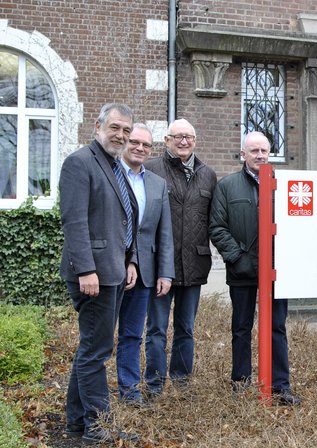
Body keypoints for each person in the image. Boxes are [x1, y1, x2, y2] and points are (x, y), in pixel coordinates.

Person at [60, 103, 139, 444]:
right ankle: (97, 427)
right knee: (96, 352)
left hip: (114, 272)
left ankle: (77, 423)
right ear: (98, 126)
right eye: (115, 128)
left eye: (126, 130)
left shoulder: (114, 166)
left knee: (90, 348)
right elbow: (74, 221)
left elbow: (124, 219)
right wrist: (86, 270)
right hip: (94, 276)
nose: (120, 135)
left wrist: (131, 259)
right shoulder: (79, 163)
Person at [209, 131, 300, 406]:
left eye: (264, 151)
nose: (260, 155)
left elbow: (295, 225)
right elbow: (217, 226)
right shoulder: (227, 186)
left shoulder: (282, 184)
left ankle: (280, 386)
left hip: (275, 272)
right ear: (243, 154)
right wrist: (237, 257)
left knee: (277, 328)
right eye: (254, 151)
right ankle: (241, 384)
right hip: (242, 270)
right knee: (241, 327)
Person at [144, 119, 217, 395]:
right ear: (167, 140)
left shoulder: (208, 174)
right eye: (178, 137)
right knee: (157, 329)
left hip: (194, 265)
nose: (183, 141)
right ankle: (154, 383)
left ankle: (182, 381)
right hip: (160, 265)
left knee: (186, 328)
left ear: (195, 140)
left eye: (188, 137)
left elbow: (213, 220)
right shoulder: (151, 170)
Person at [115, 123, 174, 405]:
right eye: (135, 142)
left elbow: (164, 232)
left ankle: (129, 392)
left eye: (146, 145)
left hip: (146, 273)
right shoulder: (110, 175)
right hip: (112, 268)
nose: (140, 148)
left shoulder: (157, 184)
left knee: (133, 334)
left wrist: (165, 272)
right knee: (99, 339)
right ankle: (93, 395)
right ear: (125, 142)